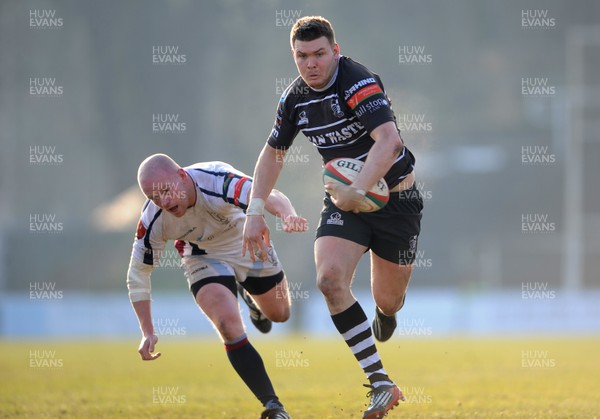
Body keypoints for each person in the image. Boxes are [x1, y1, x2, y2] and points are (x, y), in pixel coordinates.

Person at [242, 16, 423, 419]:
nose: (312, 64)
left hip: (395, 202)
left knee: (388, 299)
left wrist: (357, 188)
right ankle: (381, 383)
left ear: (335, 51)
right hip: (344, 204)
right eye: (302, 56)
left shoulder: (356, 81)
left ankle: (385, 315)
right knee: (329, 280)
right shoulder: (294, 100)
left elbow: (390, 142)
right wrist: (255, 209)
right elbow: (273, 154)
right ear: (294, 57)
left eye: (320, 54)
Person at [127, 153, 307, 419]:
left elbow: (266, 194)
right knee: (227, 323)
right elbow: (138, 273)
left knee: (280, 314)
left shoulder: (216, 179)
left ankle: (249, 298)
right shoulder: (153, 218)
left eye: (166, 191)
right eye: (154, 197)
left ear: (181, 175)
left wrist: (288, 215)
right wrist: (147, 330)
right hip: (201, 256)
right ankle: (273, 406)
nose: (163, 202)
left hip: (246, 242)